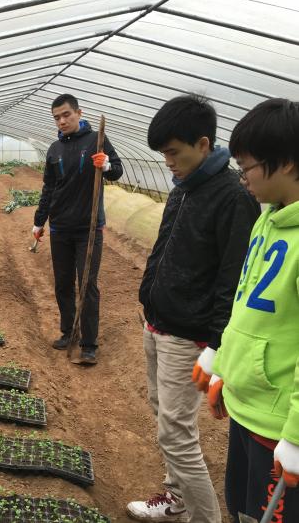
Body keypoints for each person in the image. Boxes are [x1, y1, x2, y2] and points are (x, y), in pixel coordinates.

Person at [127, 94, 260, 523]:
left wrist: (215, 344)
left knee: (176, 433)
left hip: (189, 335)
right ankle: (176, 498)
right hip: (160, 323)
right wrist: (149, 295)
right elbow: (164, 247)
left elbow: (232, 280)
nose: (167, 161)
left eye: (173, 152)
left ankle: (205, 517)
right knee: (161, 413)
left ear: (203, 144)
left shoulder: (233, 197)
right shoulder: (183, 188)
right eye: (163, 154)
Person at [203, 98, 299, 522]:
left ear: (289, 163)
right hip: (248, 409)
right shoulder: (267, 219)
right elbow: (245, 304)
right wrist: (225, 365)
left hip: (278, 426)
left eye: (248, 166)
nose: (242, 175)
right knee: (241, 509)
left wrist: (295, 438)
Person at [32, 93, 123, 365]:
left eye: (66, 115)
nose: (62, 121)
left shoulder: (97, 140)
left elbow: (117, 170)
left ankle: (89, 344)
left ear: (79, 113)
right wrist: (39, 221)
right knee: (63, 284)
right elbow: (49, 188)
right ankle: (68, 332)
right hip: (60, 227)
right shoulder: (54, 150)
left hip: (88, 228)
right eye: (57, 117)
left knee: (87, 284)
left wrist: (106, 165)